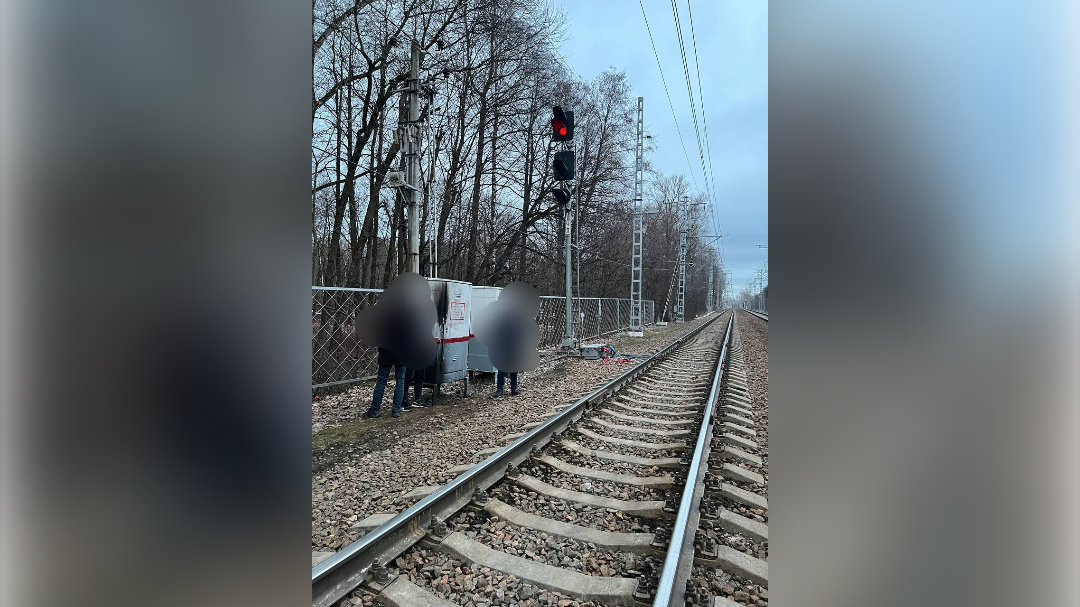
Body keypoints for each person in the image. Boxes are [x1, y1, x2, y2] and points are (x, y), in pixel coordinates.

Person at [362, 346, 408, 418]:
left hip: (386, 352)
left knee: (381, 382)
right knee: (400, 382)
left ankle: (375, 409)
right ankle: (396, 410)